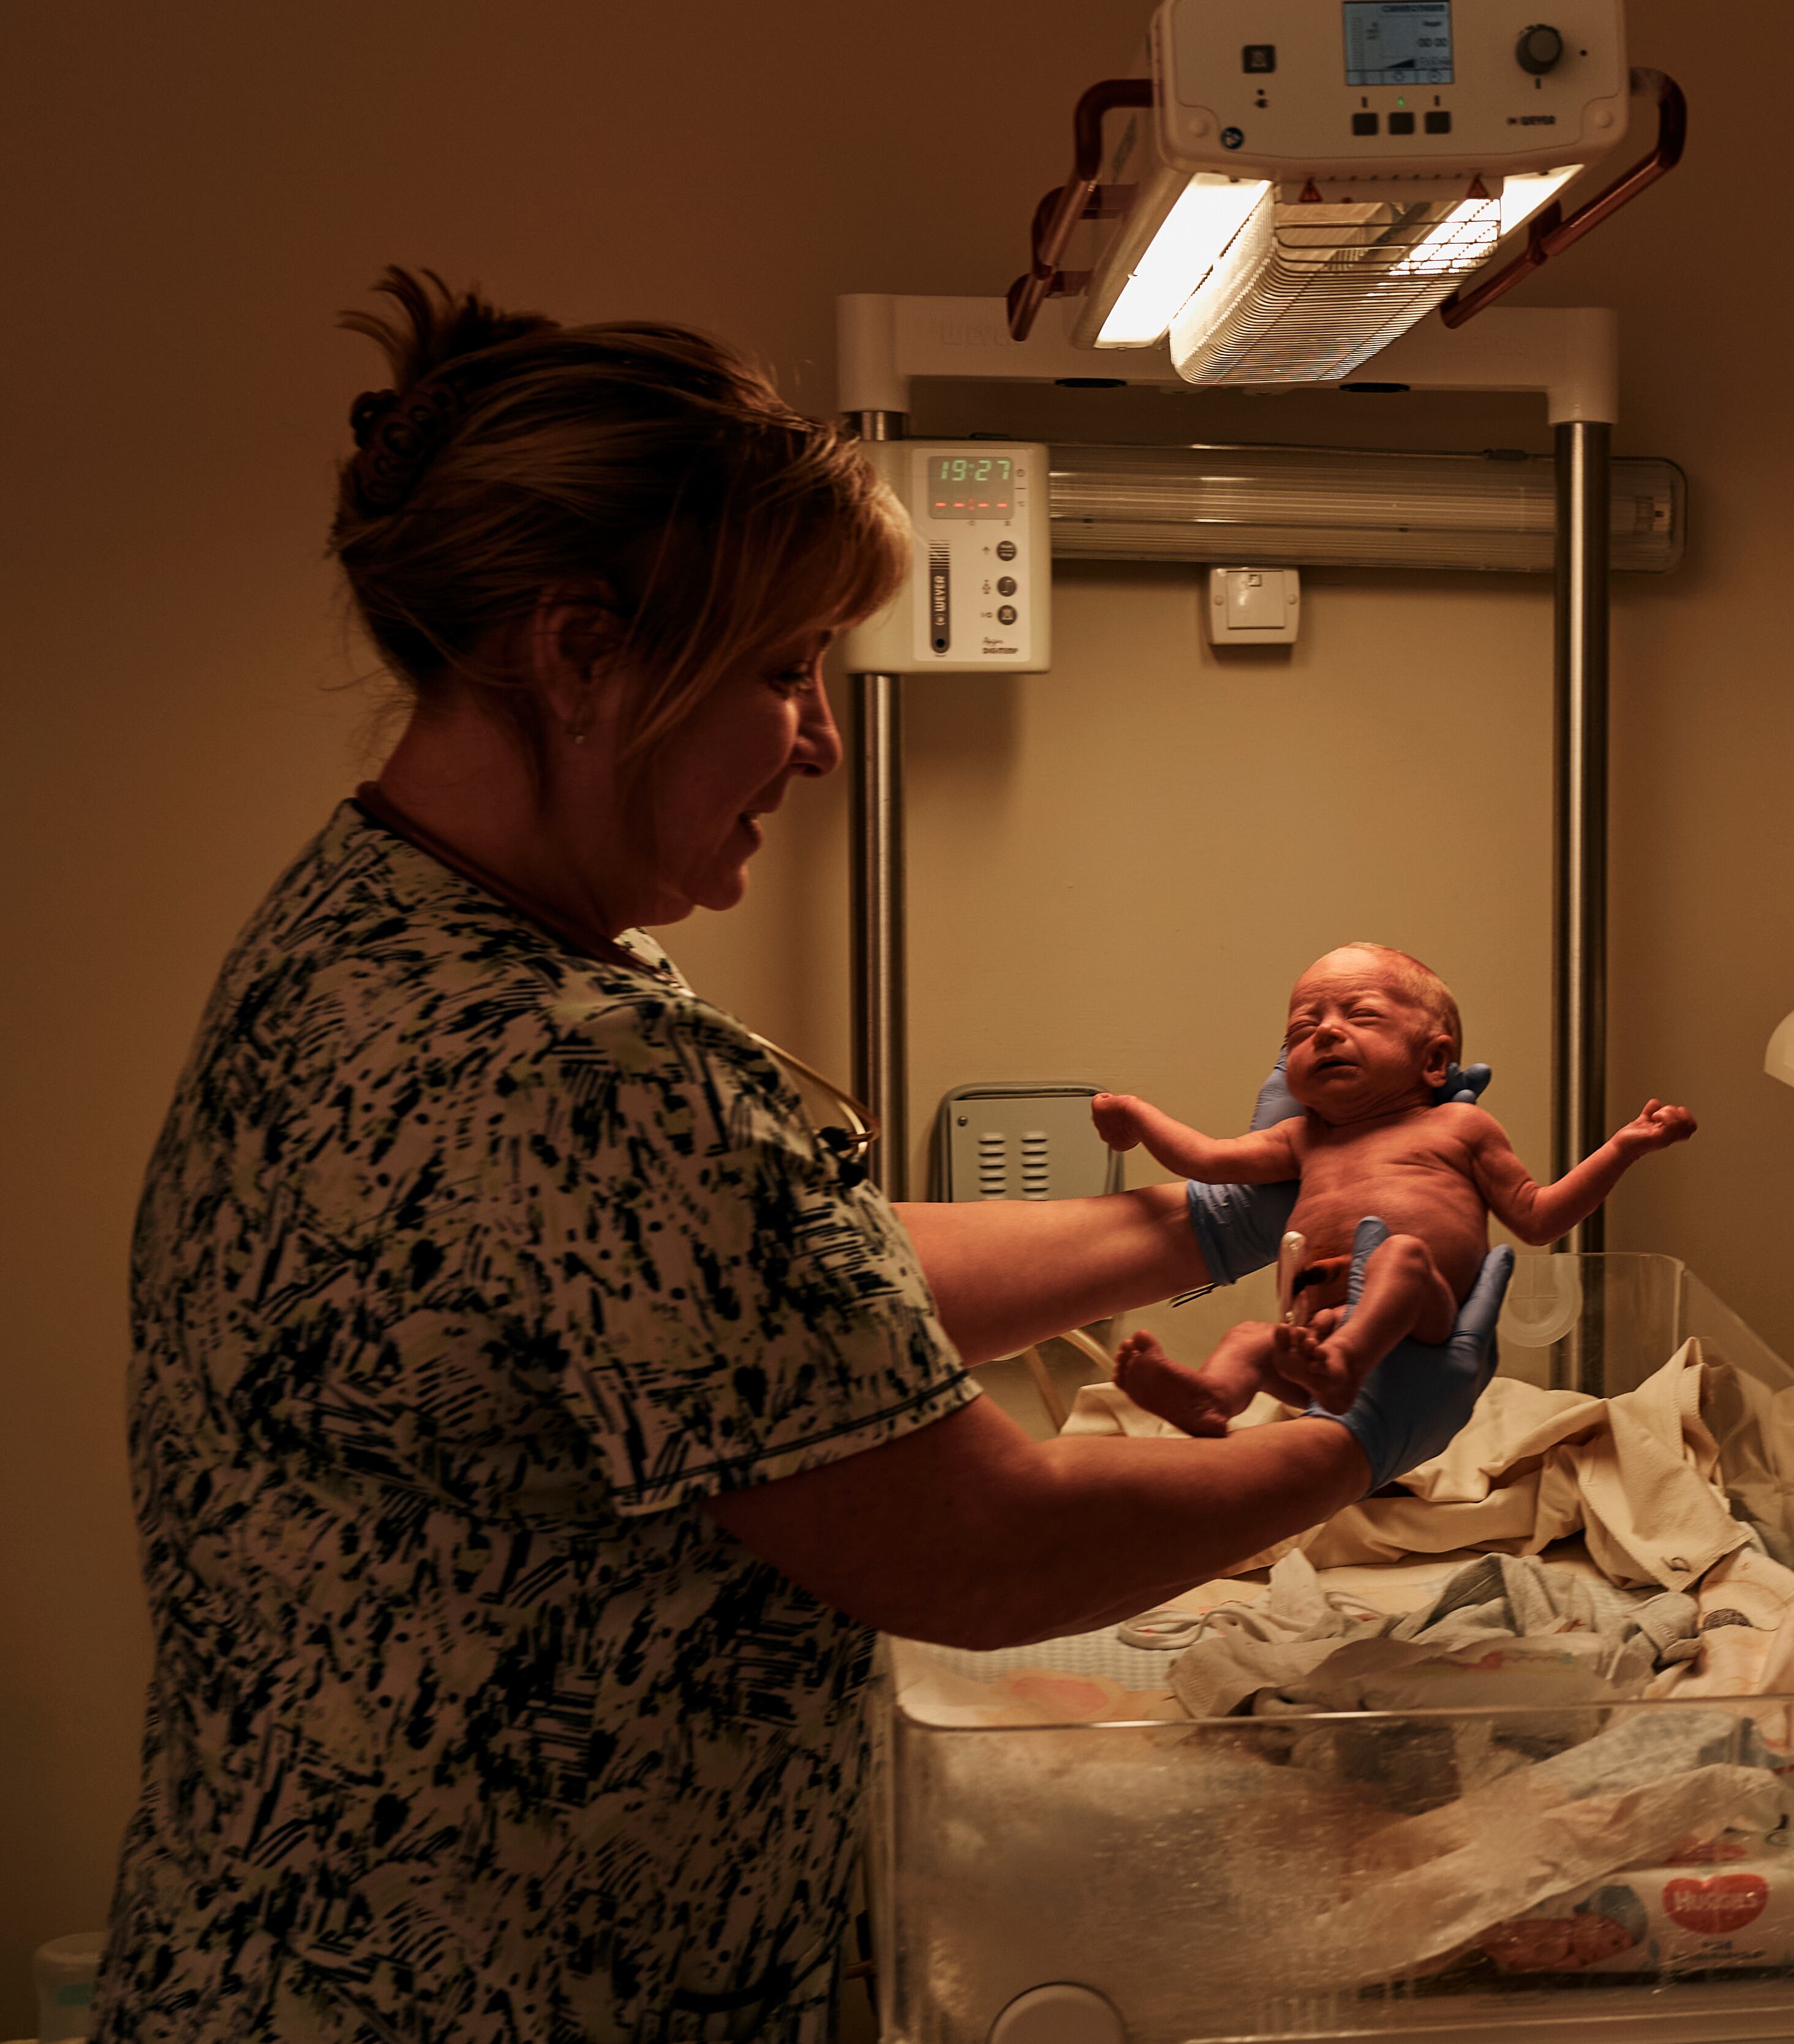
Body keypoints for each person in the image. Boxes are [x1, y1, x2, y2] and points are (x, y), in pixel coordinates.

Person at [97, 270, 1512, 2041]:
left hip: (276, 1941)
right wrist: (1354, 1443)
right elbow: (979, 1550)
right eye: (784, 671)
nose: (825, 740)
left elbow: (766, 1284)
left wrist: (1206, 1223)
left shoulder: (385, 930)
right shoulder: (574, 1061)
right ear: (580, 652)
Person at [1095, 941, 1697, 1429]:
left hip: (1420, 1319)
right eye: (1302, 1029)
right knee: (1249, 1339)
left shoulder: (1459, 1126)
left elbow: (1539, 1217)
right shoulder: (1302, 1137)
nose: (1324, 1033)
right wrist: (1137, 1116)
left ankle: (1349, 1358)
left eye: (1360, 1015)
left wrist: (1623, 1147)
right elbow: (1206, 1160)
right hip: (1313, 1338)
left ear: (1434, 1061)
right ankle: (1214, 1398)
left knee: (1400, 1255)